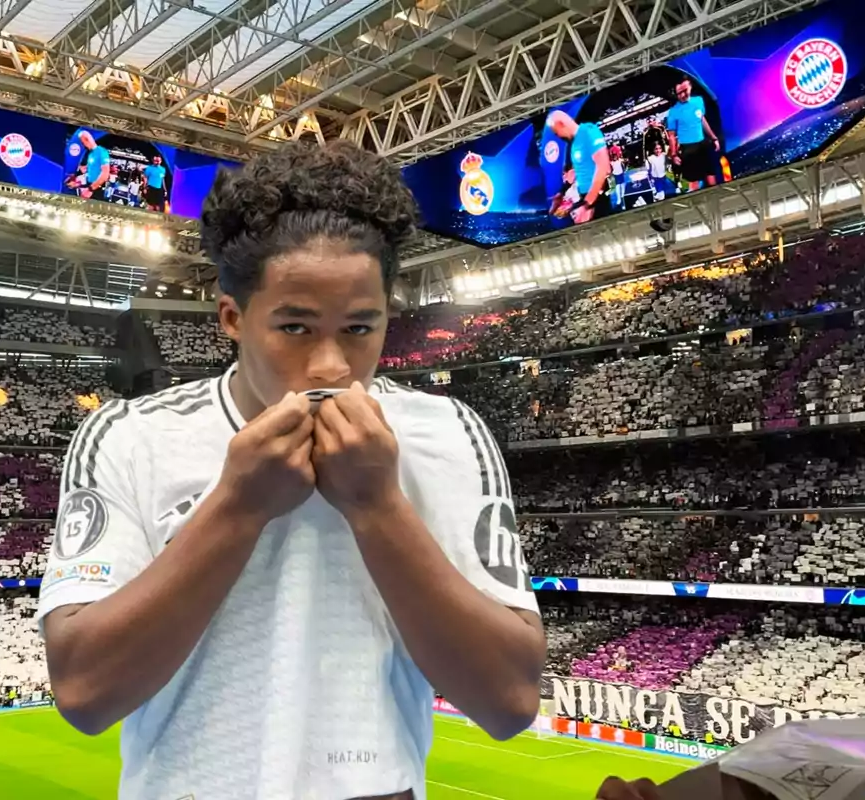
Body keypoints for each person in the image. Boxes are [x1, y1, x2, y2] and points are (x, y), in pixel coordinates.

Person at [39, 140, 547, 800]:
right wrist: (237, 506)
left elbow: (509, 702)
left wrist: (378, 507)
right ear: (232, 317)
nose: (333, 366)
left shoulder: (448, 434)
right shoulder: (131, 436)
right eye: (297, 329)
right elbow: (83, 692)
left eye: (361, 329)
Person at [547, 109, 612, 225]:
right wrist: (561, 193)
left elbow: (603, 167)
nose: (559, 137)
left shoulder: (589, 131)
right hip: (585, 200)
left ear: (562, 125)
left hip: (596, 200)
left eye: (557, 133)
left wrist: (588, 204)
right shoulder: (574, 144)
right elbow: (576, 172)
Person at [665, 77, 720, 191]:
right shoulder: (673, 112)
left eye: (685, 91)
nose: (683, 95)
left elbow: (702, 120)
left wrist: (714, 138)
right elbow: (671, 135)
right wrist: (674, 154)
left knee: (711, 175)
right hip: (688, 150)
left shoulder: (699, 101)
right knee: (693, 182)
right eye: (679, 93)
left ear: (690, 87)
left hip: (703, 145)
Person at [68, 131, 111, 201]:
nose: (83, 145)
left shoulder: (102, 152)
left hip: (96, 190)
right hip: (89, 187)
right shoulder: (91, 154)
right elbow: (89, 171)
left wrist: (90, 189)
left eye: (83, 142)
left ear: (87, 140)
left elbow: (105, 174)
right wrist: (78, 184)